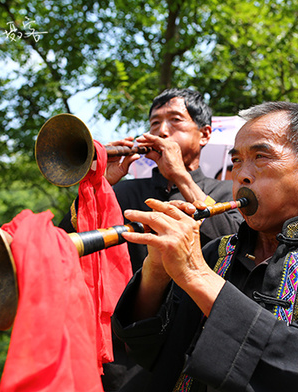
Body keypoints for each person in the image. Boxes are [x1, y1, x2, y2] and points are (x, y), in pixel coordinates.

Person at [111, 101, 298, 391]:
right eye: (236, 161)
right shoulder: (215, 253)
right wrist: (156, 269)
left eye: (261, 156)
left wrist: (196, 274)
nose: (242, 175)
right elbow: (151, 353)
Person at [59, 88, 243, 390]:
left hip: (195, 340)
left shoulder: (224, 192)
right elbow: (66, 246)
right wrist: (98, 188)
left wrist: (182, 177)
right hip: (125, 347)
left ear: (204, 135)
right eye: (154, 123)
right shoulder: (122, 191)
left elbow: (235, 243)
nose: (161, 131)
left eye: (175, 120)